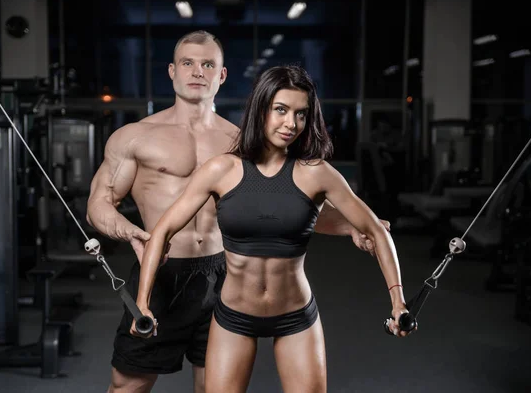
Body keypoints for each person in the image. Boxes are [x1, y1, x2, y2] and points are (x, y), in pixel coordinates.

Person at [87, 30, 388, 393]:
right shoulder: (133, 137)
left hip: (222, 276)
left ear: (222, 75)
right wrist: (129, 232)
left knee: (212, 386)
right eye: (188, 63)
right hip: (163, 271)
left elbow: (282, 208)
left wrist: (350, 227)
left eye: (208, 64)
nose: (198, 71)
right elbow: (98, 206)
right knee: (127, 385)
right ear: (171, 71)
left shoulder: (242, 142)